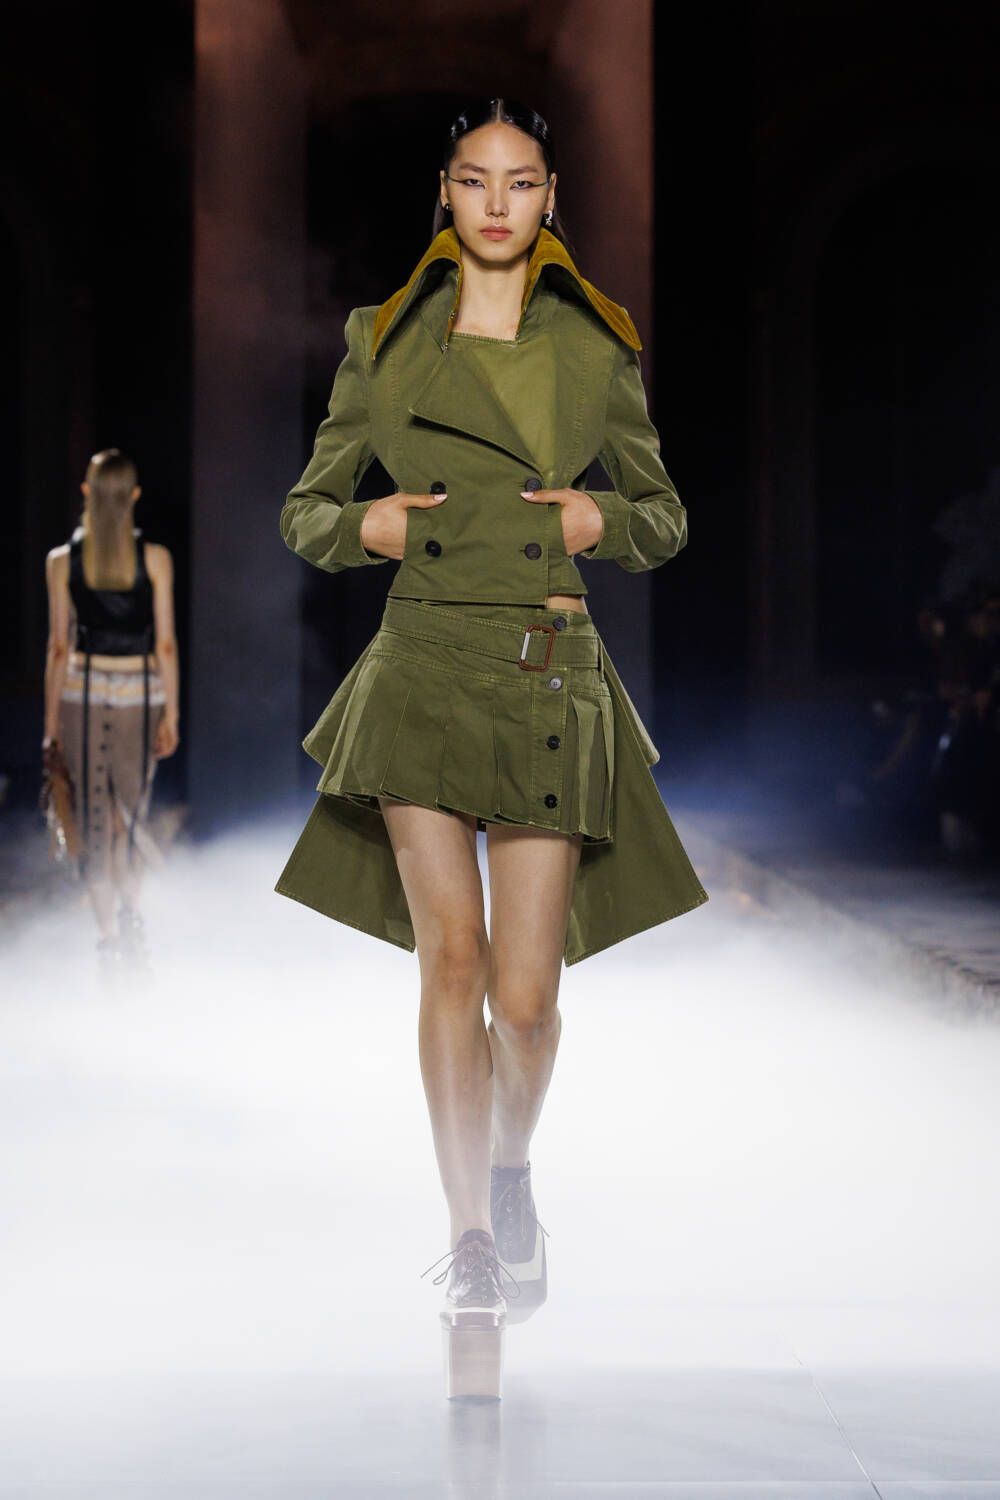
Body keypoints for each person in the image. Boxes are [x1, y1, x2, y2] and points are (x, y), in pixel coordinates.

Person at [276, 99, 708, 1397]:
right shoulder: (380, 340)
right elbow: (307, 511)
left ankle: (511, 1172)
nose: (500, 204)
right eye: (477, 180)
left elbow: (664, 517)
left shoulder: (596, 345)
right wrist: (371, 528)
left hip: (540, 664)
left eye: (522, 182)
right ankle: (468, 1236)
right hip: (421, 662)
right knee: (450, 963)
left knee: (525, 1001)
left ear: (552, 194)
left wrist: (596, 516)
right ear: (446, 190)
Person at [43, 449, 180, 974]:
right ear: (134, 496)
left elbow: (59, 647)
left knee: (95, 821)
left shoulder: (61, 561)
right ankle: (131, 923)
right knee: (129, 817)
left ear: (87, 492)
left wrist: (50, 724)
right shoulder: (156, 559)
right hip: (139, 696)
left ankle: (108, 945)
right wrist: (172, 714)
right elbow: (165, 645)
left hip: (81, 696)